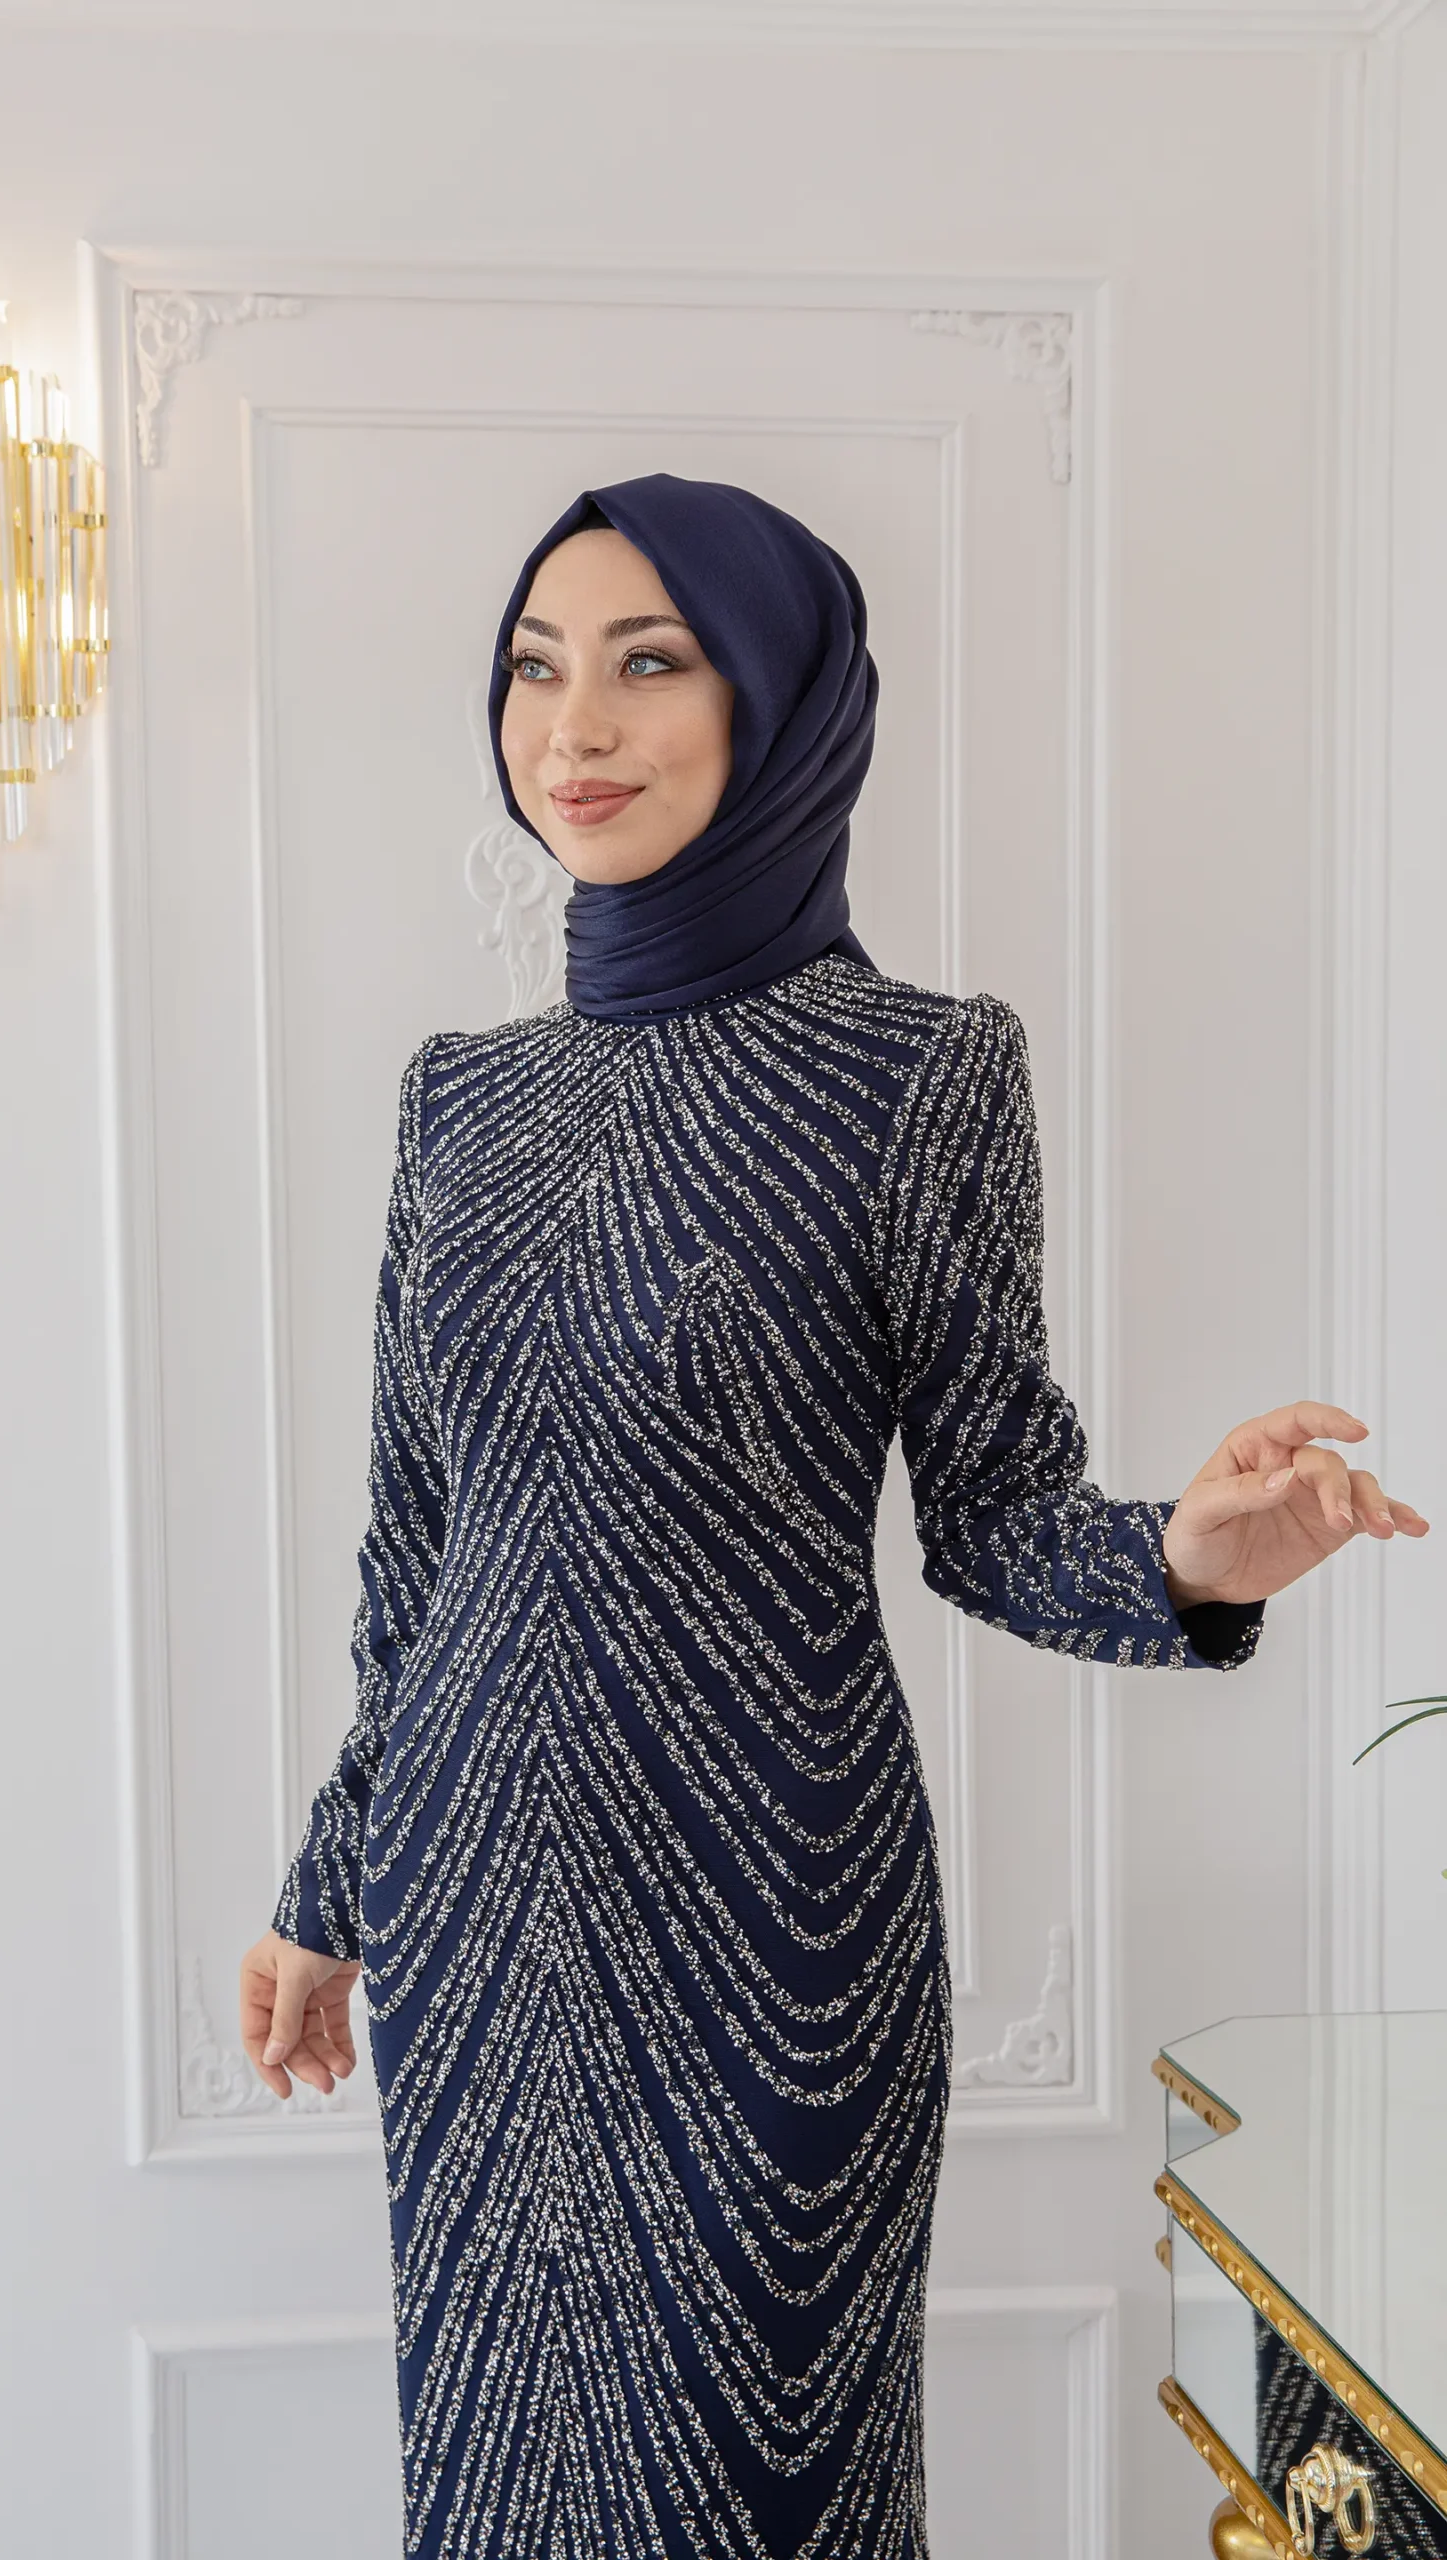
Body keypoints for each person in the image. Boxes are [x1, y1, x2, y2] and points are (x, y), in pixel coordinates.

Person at [238, 473, 1428, 2557]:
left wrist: (1183, 1556)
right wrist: (328, 1883)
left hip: (772, 1935)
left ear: (777, 701)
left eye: (647, 662)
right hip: (470, 1924)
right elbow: (414, 1549)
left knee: (769, 2490)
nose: (571, 727)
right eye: (531, 670)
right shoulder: (458, 1096)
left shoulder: (918, 1073)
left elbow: (994, 1508)